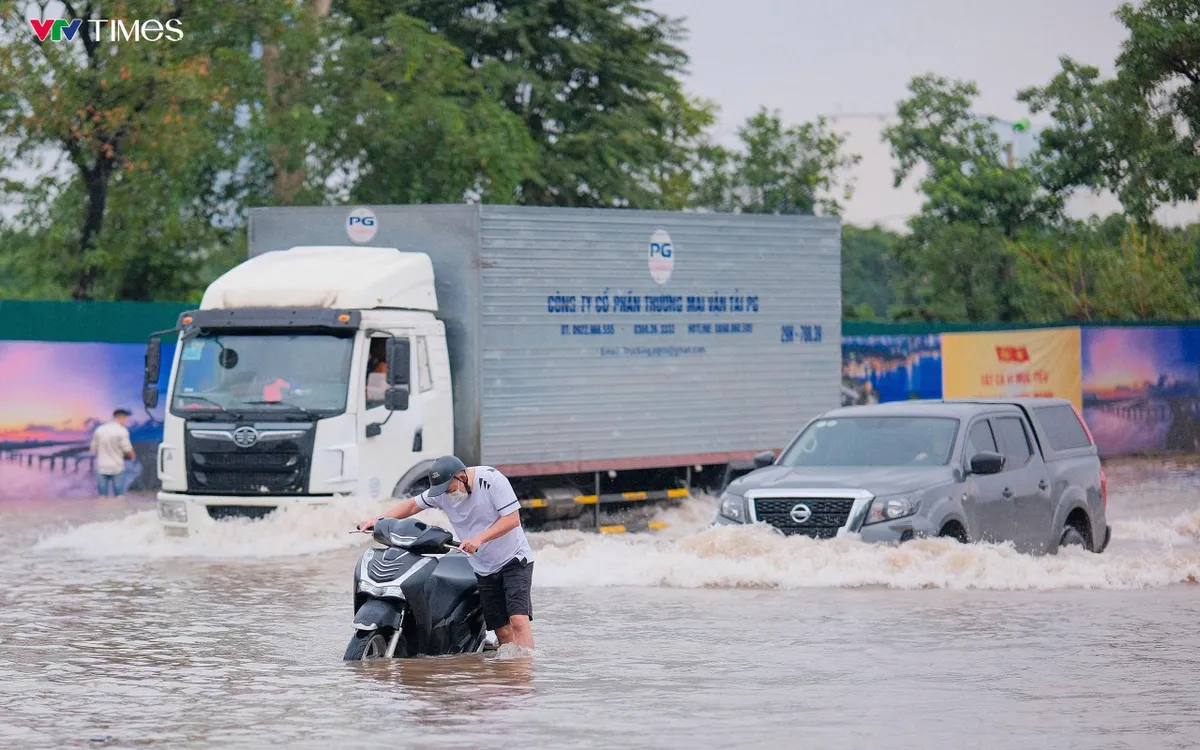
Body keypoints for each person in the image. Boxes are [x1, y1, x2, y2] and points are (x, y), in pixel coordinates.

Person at [358, 455, 535, 649]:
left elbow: (512, 519)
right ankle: (511, 673)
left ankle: (525, 674)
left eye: (449, 489)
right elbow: (411, 505)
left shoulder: (492, 480)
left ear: (462, 477)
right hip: (482, 566)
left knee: (518, 620)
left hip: (514, 558)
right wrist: (378, 519)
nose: (447, 495)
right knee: (501, 630)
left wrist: (479, 539)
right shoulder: (441, 492)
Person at [91, 409, 135, 498]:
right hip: (117, 467)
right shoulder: (122, 431)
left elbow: (94, 449)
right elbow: (127, 449)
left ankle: (101, 511)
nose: (126, 421)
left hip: (101, 467)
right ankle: (118, 511)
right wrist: (132, 457)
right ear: (121, 417)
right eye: (125, 418)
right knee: (119, 497)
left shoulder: (100, 429)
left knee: (102, 498)